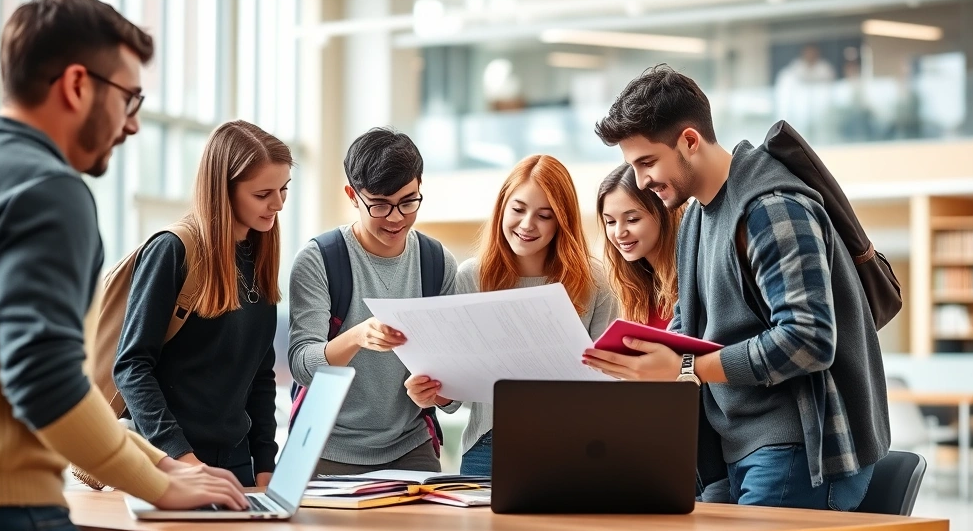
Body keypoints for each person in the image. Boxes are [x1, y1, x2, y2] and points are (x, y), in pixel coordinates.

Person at [0, 0, 246, 531]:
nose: (133, 125)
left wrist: (165, 464)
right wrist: (160, 486)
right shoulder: (48, 190)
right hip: (6, 510)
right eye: (130, 98)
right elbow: (45, 380)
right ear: (77, 85)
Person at [584, 64, 889, 511]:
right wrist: (638, 361)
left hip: (797, 448)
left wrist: (684, 367)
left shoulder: (771, 209)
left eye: (647, 162)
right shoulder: (695, 220)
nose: (642, 180)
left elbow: (808, 341)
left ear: (689, 140)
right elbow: (688, 330)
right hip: (734, 449)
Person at [405, 154, 618, 476]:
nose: (527, 224)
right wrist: (433, 393)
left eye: (544, 215)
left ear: (562, 220)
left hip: (570, 447)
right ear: (502, 207)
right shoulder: (471, 278)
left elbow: (610, 383)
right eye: (518, 209)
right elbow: (454, 396)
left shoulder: (595, 282)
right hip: (487, 448)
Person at [114, 120, 292, 488]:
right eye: (263, 194)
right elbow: (131, 366)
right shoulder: (172, 251)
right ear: (223, 190)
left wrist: (266, 468)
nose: (277, 203)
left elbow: (259, 377)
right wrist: (183, 461)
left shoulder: (258, 256)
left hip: (237, 466)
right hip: (169, 464)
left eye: (284, 189)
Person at [288, 127, 458, 475]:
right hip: (326, 446)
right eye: (380, 204)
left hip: (411, 446)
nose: (396, 218)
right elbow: (302, 366)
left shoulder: (437, 262)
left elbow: (452, 391)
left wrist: (436, 394)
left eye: (408, 201)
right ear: (353, 195)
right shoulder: (320, 260)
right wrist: (356, 337)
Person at [596, 163, 684, 328]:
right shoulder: (635, 290)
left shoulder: (694, 280)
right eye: (610, 221)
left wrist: (681, 356)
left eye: (632, 220)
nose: (619, 233)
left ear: (665, 213)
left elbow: (712, 351)